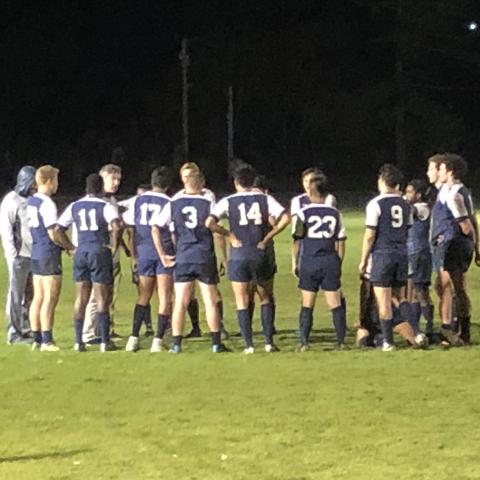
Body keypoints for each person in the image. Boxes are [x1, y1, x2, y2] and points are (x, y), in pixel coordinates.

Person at [206, 166, 290, 353]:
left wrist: (229, 235)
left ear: (236, 183)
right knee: (266, 298)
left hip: (239, 255)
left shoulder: (228, 201)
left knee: (241, 300)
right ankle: (268, 342)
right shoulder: (265, 199)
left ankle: (249, 345)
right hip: (261, 253)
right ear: (253, 182)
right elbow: (285, 218)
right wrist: (268, 237)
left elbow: (209, 223)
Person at [155, 170, 227, 353]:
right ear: (201, 184)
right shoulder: (208, 201)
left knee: (180, 301)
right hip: (204, 255)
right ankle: (216, 343)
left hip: (184, 256)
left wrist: (162, 254)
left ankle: (176, 344)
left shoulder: (174, 202)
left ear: (185, 184)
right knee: (210, 300)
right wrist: (223, 254)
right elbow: (215, 228)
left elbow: (156, 227)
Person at [57, 174, 121, 352]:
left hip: (81, 250)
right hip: (99, 250)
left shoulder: (75, 205)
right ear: (101, 188)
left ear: (86, 188)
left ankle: (78, 341)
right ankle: (104, 341)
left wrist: (70, 247)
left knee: (81, 297)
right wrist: (114, 246)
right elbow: (117, 225)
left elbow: (58, 229)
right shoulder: (106, 206)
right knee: (102, 297)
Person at [358, 164, 415, 352]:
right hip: (402, 253)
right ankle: (416, 332)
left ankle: (388, 342)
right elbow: (407, 229)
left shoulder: (376, 203)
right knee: (400, 297)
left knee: (383, 299)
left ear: (382, 182)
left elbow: (370, 235)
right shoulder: (406, 204)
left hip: (383, 254)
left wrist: (364, 260)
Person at [173, 162, 229, 339]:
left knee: (188, 297)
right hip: (201, 252)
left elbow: (164, 228)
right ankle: (209, 335)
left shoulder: (178, 200)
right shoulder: (204, 199)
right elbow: (213, 225)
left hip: (188, 252)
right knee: (201, 297)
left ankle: (217, 328)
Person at [292, 173, 347, 350]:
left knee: (307, 303)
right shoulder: (335, 213)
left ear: (312, 192)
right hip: (329, 260)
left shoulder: (303, 212)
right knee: (335, 303)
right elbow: (341, 240)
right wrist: (338, 261)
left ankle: (304, 342)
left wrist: (295, 262)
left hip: (309, 261)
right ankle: (341, 342)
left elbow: (297, 239)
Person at [124, 167, 174, 352]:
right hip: (165, 252)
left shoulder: (137, 201)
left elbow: (129, 225)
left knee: (143, 295)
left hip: (144, 252)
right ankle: (158, 341)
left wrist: (133, 254)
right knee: (164, 297)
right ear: (168, 185)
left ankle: (133, 337)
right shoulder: (170, 202)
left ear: (152, 182)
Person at [27, 165, 74, 351]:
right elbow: (53, 232)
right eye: (56, 180)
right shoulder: (47, 203)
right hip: (48, 253)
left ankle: (36, 339)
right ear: (48, 181)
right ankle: (47, 340)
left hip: (36, 251)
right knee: (50, 298)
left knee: (37, 297)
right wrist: (69, 247)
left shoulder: (31, 201)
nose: (57, 185)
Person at [432, 154, 477, 345]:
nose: (438, 172)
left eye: (441, 169)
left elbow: (466, 225)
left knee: (451, 287)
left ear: (449, 172)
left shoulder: (454, 195)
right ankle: (457, 329)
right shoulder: (458, 190)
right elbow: (473, 219)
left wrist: (471, 244)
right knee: (448, 287)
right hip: (455, 244)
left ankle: (455, 331)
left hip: (454, 244)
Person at [83, 163, 124, 343]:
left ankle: (105, 328)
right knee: (95, 295)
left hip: (110, 254)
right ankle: (89, 333)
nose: (116, 183)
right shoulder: (93, 202)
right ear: (102, 179)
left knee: (109, 295)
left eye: (118, 180)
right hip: (96, 253)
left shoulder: (112, 201)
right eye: (112, 179)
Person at [0, 166, 36, 344]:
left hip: (33, 254)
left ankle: (25, 326)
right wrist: (12, 254)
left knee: (30, 293)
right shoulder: (11, 200)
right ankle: (13, 332)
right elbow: (6, 229)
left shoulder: (32, 200)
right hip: (19, 255)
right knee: (16, 294)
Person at [120, 183, 154, 336]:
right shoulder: (134, 206)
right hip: (143, 254)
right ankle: (148, 327)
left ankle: (162, 328)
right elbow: (130, 235)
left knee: (149, 293)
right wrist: (132, 256)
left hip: (145, 254)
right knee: (144, 292)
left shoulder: (139, 207)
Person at [405, 180, 434, 339]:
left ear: (419, 194)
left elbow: (408, 210)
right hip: (412, 252)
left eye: (410, 192)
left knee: (420, 291)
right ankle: (417, 326)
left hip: (419, 253)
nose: (407, 195)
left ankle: (426, 326)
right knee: (414, 290)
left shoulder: (422, 208)